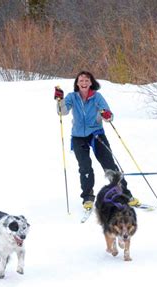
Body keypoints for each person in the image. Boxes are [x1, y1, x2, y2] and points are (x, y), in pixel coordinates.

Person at [54, 70, 140, 211]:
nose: (84, 83)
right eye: (81, 80)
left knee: (109, 166)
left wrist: (106, 115)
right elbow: (62, 112)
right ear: (77, 83)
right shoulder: (72, 97)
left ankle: (125, 195)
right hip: (78, 137)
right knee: (85, 167)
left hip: (96, 134)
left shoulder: (97, 97)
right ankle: (87, 197)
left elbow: (108, 116)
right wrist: (60, 100)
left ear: (91, 83)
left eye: (86, 80)